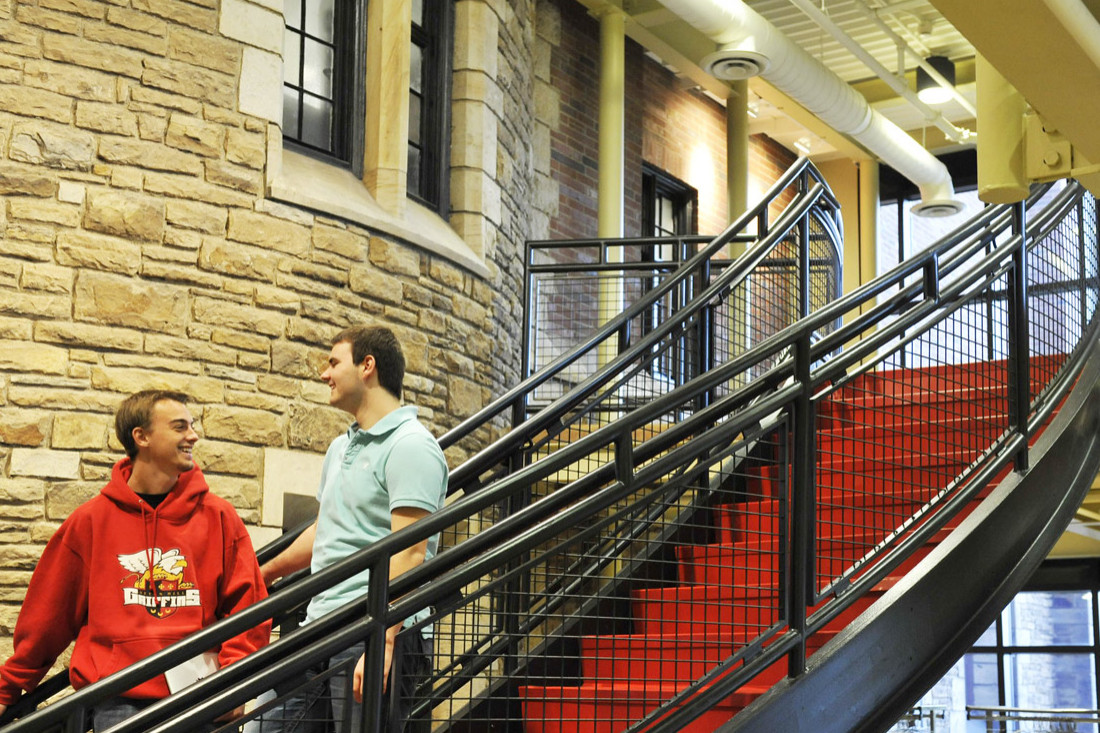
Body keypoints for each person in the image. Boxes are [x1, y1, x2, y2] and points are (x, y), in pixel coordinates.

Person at [0, 390, 271, 731]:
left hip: (202, 697)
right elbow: (49, 616)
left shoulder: (218, 516)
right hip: (119, 699)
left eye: (191, 425)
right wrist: (8, 686)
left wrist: (235, 676)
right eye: (179, 427)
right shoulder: (91, 521)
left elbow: (248, 607)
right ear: (141, 437)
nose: (193, 435)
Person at [258, 325, 448, 733]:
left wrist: (386, 638)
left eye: (333, 362)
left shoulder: (412, 446)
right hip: (319, 626)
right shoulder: (339, 447)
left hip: (373, 628)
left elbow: (411, 552)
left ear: (367, 366)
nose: (325, 374)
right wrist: (265, 572)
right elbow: (327, 530)